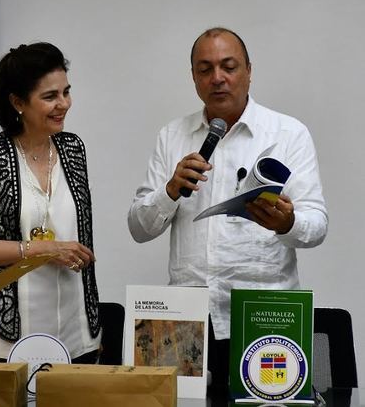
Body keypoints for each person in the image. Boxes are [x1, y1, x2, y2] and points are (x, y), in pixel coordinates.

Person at [127, 27, 328, 390]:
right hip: (185, 319)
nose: (217, 78)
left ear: (249, 70)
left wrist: (288, 223)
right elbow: (139, 228)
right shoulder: (172, 136)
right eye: (204, 69)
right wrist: (170, 190)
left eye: (228, 66)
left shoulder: (288, 134)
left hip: (263, 317)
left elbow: (317, 226)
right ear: (193, 77)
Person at [0, 42, 101, 362]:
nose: (64, 104)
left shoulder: (74, 149)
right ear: (18, 102)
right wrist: (43, 250)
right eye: (50, 97)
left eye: (66, 92)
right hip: (7, 340)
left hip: (77, 334)